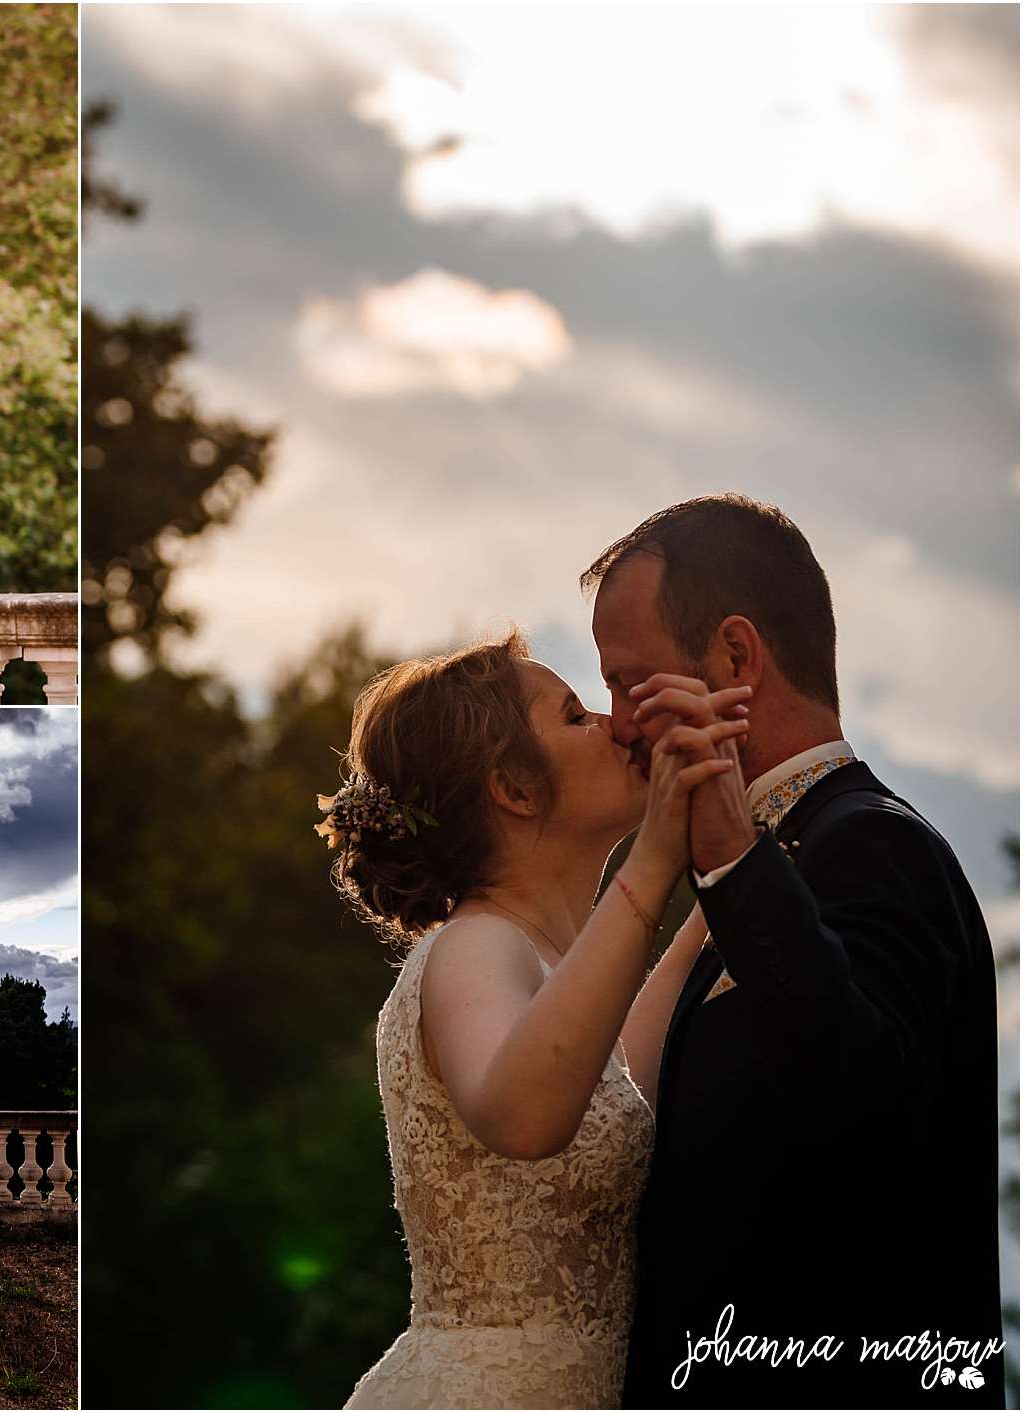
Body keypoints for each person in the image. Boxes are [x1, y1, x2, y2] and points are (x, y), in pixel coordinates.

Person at [587, 494, 1000, 1406]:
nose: (618, 724)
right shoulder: (756, 871)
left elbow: (866, 1114)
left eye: (633, 683)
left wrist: (736, 858)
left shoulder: (878, 846)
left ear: (735, 657)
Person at [328, 632, 743, 1407]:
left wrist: (722, 863)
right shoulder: (472, 945)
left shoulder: (542, 967)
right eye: (577, 716)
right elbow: (522, 1115)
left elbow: (625, 1074)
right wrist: (652, 861)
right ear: (515, 788)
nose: (620, 726)